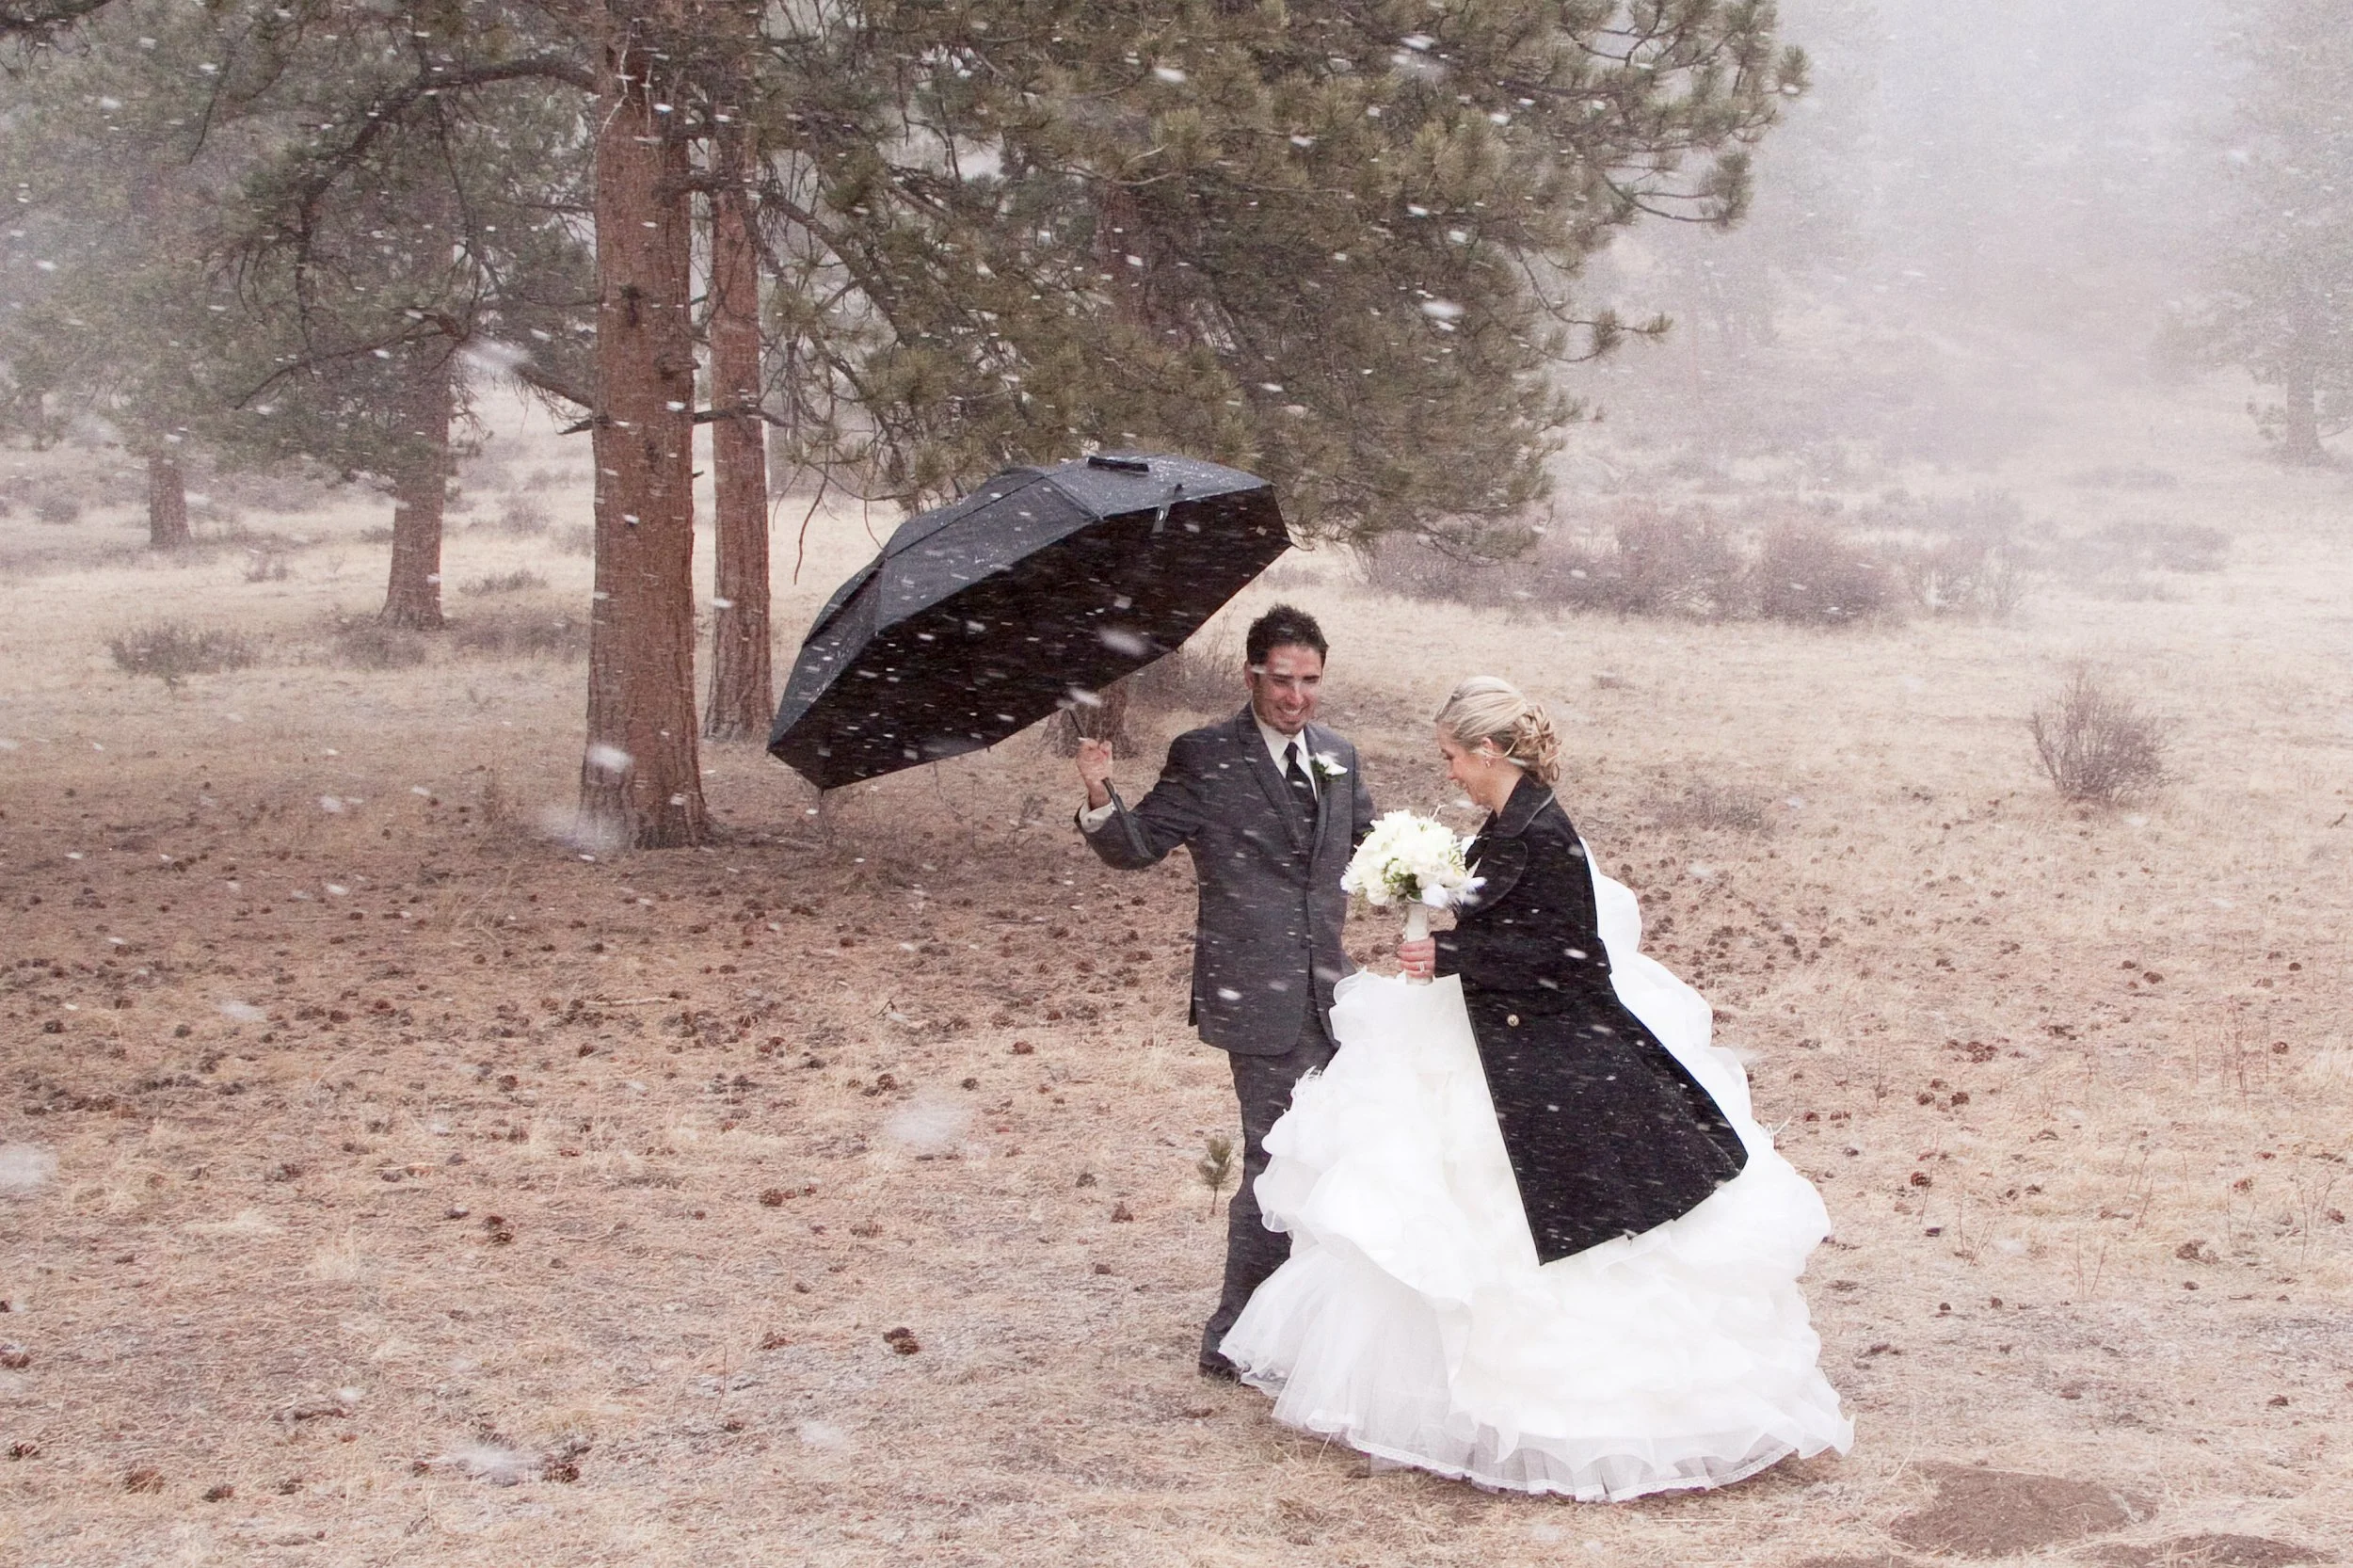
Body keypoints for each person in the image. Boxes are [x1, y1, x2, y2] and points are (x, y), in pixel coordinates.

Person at [1221, 676, 1852, 1498]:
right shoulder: (1508, 822)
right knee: (1462, 1212)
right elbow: (1520, 930)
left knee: (1555, 1229)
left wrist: (1452, 955)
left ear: (1489, 751)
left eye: (1452, 756)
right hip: (1507, 1045)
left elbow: (1574, 959)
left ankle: (1587, 1413)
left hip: (1547, 1060)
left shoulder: (1544, 832)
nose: (1449, 770)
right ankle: (1457, 1406)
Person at [1075, 604, 1377, 1379]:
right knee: (1274, 1159)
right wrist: (1100, 794)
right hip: (1254, 996)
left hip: (1334, 996)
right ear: (1251, 675)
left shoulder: (1338, 755)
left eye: (1310, 681)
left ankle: (1303, 1326)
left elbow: (1370, 852)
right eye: (1281, 680)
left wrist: (1432, 875)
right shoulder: (1206, 756)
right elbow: (1138, 847)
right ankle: (1235, 1338)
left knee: (1329, 1158)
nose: (1296, 697)